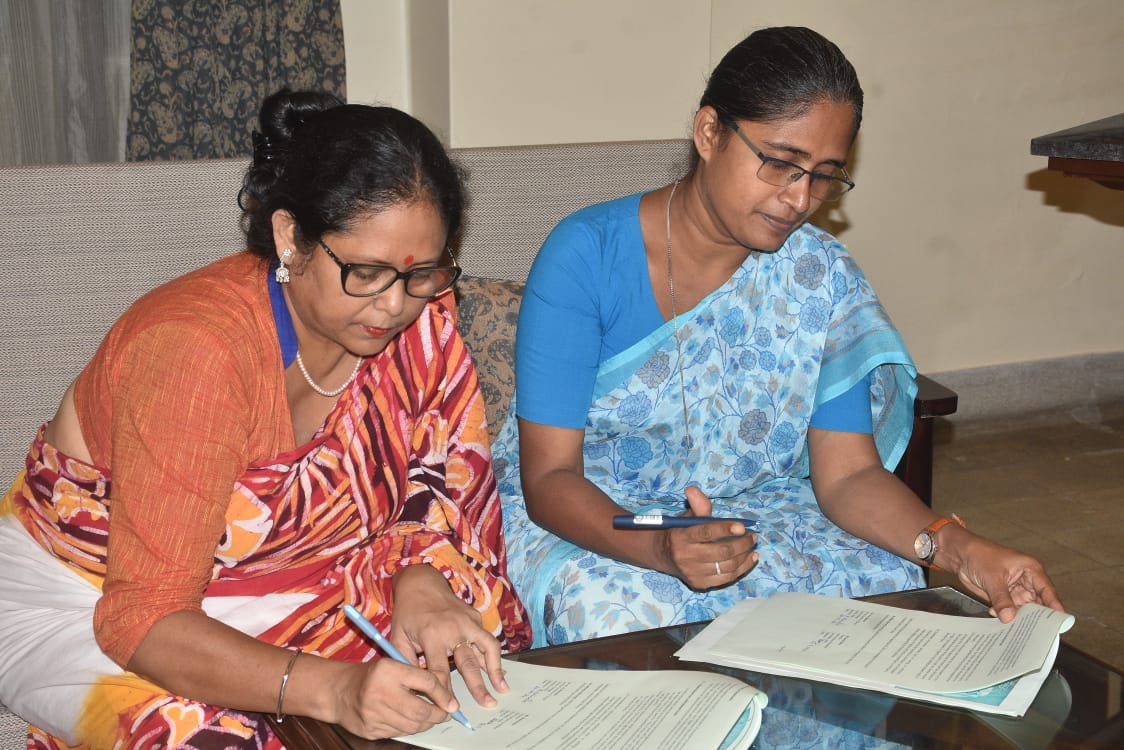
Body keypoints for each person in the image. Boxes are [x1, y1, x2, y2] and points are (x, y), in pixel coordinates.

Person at [491, 26, 1063, 647]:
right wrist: (661, 546)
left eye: (823, 176)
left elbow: (847, 476)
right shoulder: (587, 257)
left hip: (758, 510)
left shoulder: (819, 276)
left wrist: (960, 549)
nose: (799, 198)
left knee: (888, 583)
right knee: (621, 617)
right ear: (709, 132)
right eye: (781, 163)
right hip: (597, 519)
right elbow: (550, 479)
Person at [0, 89, 531, 748]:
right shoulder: (196, 351)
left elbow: (426, 499)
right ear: (289, 236)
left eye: (422, 272)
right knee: (213, 738)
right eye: (365, 272)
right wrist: (336, 690)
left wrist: (419, 582)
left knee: (468, 657)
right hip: (90, 601)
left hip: (305, 579)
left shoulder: (420, 324)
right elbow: (142, 616)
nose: (395, 305)